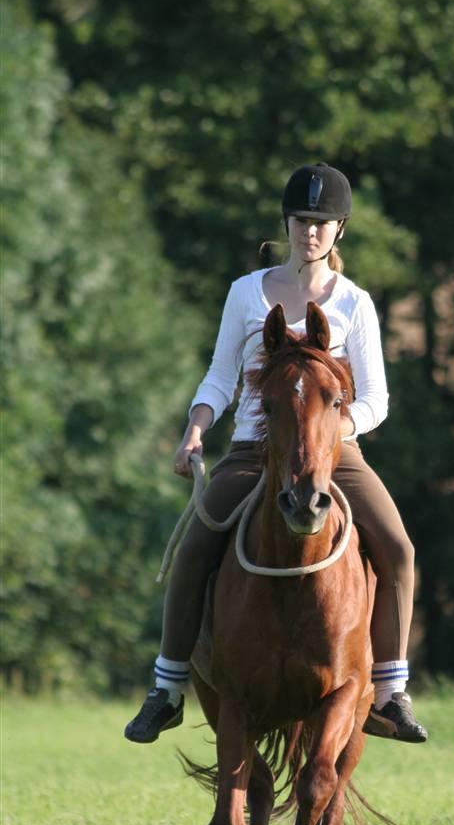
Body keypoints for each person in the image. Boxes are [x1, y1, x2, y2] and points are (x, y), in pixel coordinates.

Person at [125, 162, 427, 745]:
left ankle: (390, 692)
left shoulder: (355, 304)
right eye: (300, 220)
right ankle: (166, 687)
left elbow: (378, 398)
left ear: (339, 229)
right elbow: (220, 377)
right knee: (194, 546)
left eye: (320, 222)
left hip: (335, 454)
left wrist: (340, 429)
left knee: (399, 549)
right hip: (253, 450)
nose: (308, 232)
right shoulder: (246, 292)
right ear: (285, 224)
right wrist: (195, 429)